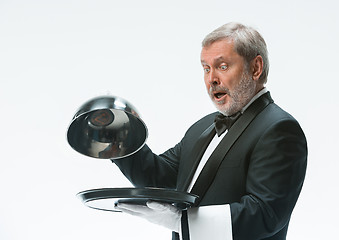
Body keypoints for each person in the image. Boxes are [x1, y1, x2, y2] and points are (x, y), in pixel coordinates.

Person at [112, 22, 307, 240]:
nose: (211, 79)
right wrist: (121, 138)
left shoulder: (279, 129)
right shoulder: (202, 127)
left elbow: (265, 213)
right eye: (206, 68)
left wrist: (183, 221)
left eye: (222, 66)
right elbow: (162, 180)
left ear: (255, 68)